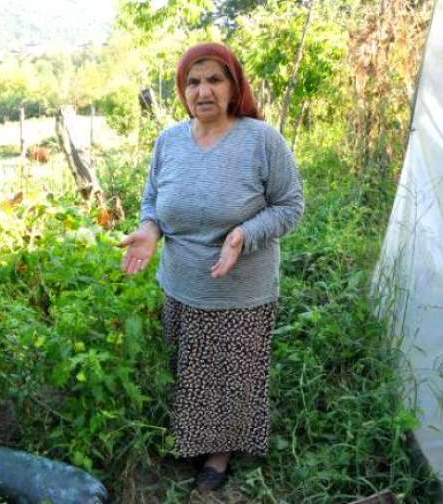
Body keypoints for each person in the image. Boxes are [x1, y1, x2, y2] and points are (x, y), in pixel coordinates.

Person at [119, 42, 304, 493]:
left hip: (240, 291)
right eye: (193, 81)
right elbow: (153, 202)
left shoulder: (261, 140)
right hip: (180, 284)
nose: (203, 91)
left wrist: (243, 235)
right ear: (183, 90)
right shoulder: (169, 142)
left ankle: (219, 455)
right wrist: (149, 229)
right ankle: (187, 438)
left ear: (233, 85)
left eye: (214, 79)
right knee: (187, 370)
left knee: (227, 376)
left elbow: (291, 205)